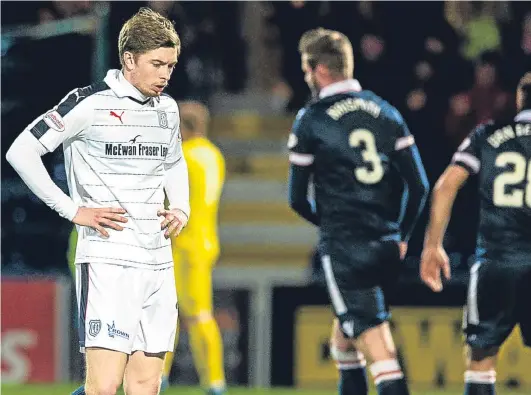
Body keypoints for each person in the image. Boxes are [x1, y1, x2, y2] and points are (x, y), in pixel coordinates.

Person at [6, 7, 190, 395]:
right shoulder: (87, 104)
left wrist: (181, 207)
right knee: (104, 387)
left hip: (158, 261)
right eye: (157, 64)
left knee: (146, 384)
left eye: (170, 66)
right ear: (128, 59)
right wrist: (73, 210)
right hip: (109, 261)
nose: (165, 75)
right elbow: (21, 152)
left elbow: (174, 162)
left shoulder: (168, 110)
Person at [287, 28, 429, 395]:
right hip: (385, 245)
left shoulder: (311, 119)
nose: (305, 77)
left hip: (347, 248)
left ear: (318, 69)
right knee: (343, 342)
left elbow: (297, 199)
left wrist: (332, 223)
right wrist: (403, 235)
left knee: (379, 351)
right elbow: (420, 186)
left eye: (306, 69)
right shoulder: (386, 111)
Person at [420, 72, 531, 395]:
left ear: (518, 101)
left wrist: (432, 246)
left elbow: (446, 186)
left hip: (496, 262)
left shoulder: (487, 134)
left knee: (482, 357)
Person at [161, 101, 227, 395]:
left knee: (192, 314)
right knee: (182, 312)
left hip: (183, 244)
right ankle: (164, 375)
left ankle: (213, 382)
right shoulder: (214, 155)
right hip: (206, 240)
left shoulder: (184, 157)